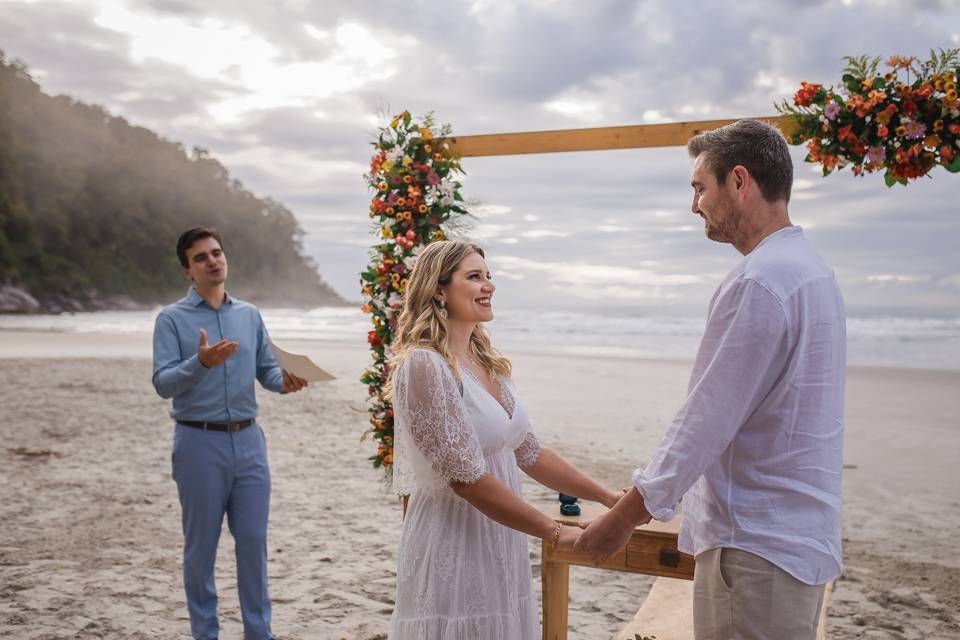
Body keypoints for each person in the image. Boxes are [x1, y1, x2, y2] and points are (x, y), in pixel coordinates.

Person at [576, 119, 846, 640]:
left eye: (700, 188)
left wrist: (624, 518)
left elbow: (705, 421)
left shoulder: (760, 282)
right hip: (797, 540)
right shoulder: (813, 271)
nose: (693, 204)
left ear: (739, 182)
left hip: (755, 549)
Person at [387, 240, 623, 639]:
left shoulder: (489, 364)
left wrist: (606, 496)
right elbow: (466, 479)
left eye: (489, 276)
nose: (489, 286)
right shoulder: (424, 365)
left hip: (501, 537)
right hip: (454, 539)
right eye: (474, 277)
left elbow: (529, 452)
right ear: (439, 289)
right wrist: (554, 530)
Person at [152, 226, 308, 640]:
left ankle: (259, 634)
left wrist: (285, 381)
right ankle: (206, 634)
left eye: (217, 252)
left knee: (253, 543)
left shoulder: (249, 315)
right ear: (188, 271)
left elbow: (266, 371)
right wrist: (200, 363)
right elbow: (163, 383)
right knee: (201, 549)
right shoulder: (171, 319)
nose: (213, 260)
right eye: (201, 257)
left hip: (250, 441)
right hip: (198, 442)